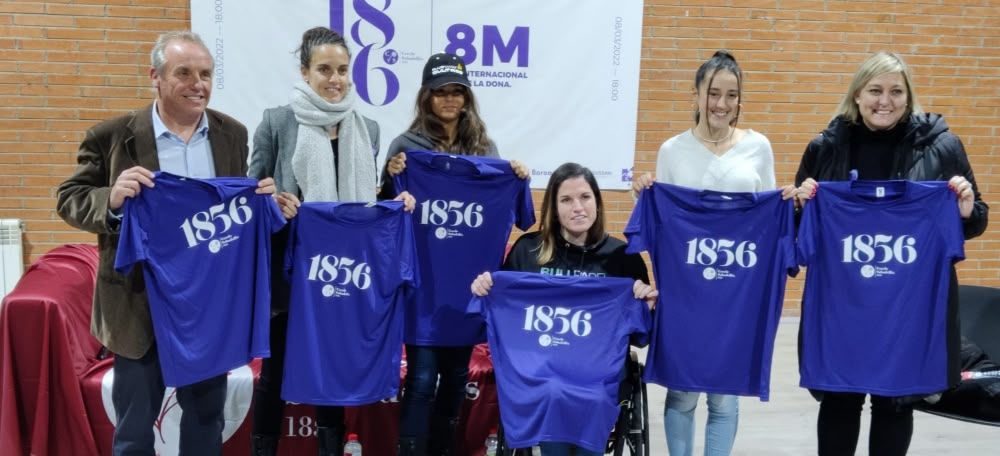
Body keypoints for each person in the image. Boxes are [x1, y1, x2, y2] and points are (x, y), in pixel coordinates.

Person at [55, 31, 275, 455]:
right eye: (185, 73)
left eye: (206, 74)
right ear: (155, 76)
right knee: (135, 433)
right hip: (140, 305)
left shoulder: (233, 133)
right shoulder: (111, 135)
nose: (198, 84)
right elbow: (69, 198)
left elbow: (233, 205)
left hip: (207, 310)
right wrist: (112, 200)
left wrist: (264, 198)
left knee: (205, 422)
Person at [790, 51, 988, 456]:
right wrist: (799, 204)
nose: (886, 101)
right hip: (843, 302)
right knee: (840, 398)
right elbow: (798, 231)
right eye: (875, 90)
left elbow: (975, 219)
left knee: (895, 401)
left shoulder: (942, 146)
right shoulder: (825, 147)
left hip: (907, 305)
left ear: (909, 96)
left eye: (897, 91)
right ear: (857, 96)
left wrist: (966, 210)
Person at [246, 26, 413, 456]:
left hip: (341, 273)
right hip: (289, 270)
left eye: (342, 70)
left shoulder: (368, 129)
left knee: (331, 366)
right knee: (275, 371)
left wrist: (396, 196)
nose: (334, 79)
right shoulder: (277, 122)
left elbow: (362, 210)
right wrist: (273, 208)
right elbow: (252, 196)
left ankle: (330, 449)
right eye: (324, 69)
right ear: (305, 72)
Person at [382, 52, 529, 456]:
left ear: (467, 97)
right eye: (440, 92)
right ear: (426, 96)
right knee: (423, 378)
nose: (448, 100)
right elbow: (384, 212)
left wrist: (515, 177)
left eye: (456, 92)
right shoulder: (406, 148)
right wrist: (391, 176)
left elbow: (521, 219)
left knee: (457, 374)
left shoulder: (485, 147)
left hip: (467, 285)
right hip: (424, 283)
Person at [632, 50, 775, 456]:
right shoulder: (673, 150)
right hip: (686, 290)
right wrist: (645, 192)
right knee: (682, 391)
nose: (722, 104)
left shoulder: (758, 147)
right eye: (714, 93)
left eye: (732, 95)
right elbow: (664, 225)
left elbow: (767, 217)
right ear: (696, 95)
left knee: (724, 397)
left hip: (736, 289)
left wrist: (789, 202)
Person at [472, 162, 658, 456]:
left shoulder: (623, 257)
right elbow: (505, 312)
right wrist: (486, 288)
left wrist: (646, 305)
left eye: (585, 197)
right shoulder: (529, 250)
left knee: (592, 398)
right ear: (553, 208)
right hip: (542, 369)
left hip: (598, 373)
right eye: (566, 200)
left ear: (597, 201)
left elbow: (640, 337)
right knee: (553, 392)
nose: (578, 207)